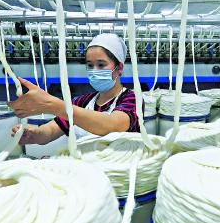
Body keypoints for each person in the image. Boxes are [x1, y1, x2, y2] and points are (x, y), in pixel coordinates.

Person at [8, 33, 140, 145]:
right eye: (90, 65)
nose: (94, 70)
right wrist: (33, 134)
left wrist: (52, 105)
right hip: (84, 165)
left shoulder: (132, 99)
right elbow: (50, 131)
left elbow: (112, 126)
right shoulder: (81, 102)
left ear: (119, 68)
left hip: (119, 166)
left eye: (101, 64)